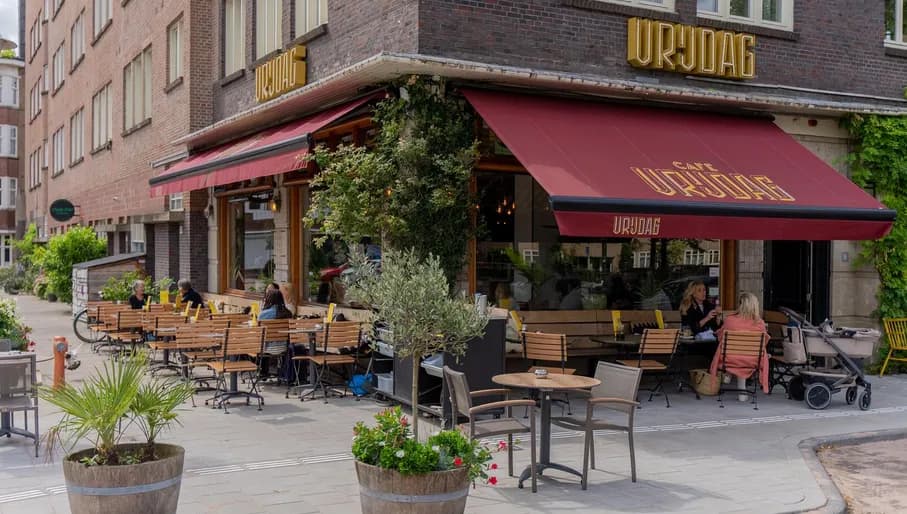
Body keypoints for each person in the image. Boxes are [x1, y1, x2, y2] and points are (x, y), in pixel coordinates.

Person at [710, 292, 770, 393]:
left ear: (740, 305)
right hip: (753, 360)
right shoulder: (760, 323)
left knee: (727, 351)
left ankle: (729, 373)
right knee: (749, 355)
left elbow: (720, 337)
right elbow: (763, 343)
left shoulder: (730, 320)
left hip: (729, 359)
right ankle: (740, 388)